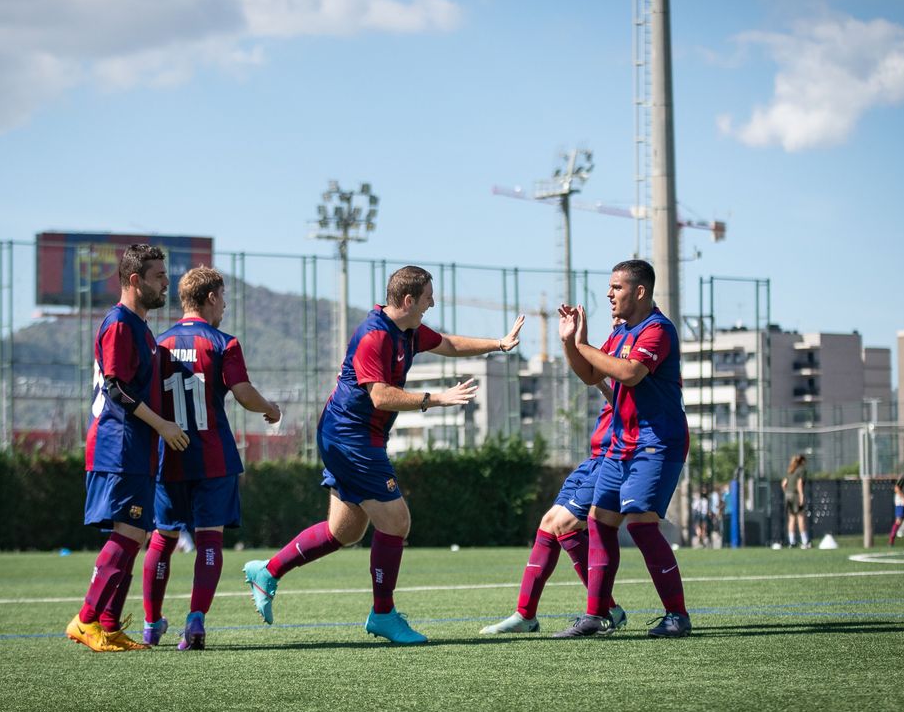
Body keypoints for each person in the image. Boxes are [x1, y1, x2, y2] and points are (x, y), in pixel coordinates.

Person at [242, 265, 524, 644]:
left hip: (359, 437)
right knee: (396, 521)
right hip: (350, 438)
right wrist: (437, 398)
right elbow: (380, 395)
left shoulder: (407, 331)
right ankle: (383, 614)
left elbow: (448, 344)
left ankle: (268, 571)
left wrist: (498, 344)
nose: (432, 304)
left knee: (344, 531)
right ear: (408, 300)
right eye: (427, 299)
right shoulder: (374, 336)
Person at [141, 267, 281, 651]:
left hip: (169, 456)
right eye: (223, 299)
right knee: (208, 541)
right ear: (212, 298)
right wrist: (270, 408)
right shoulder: (223, 343)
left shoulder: (159, 344)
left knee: (162, 540)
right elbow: (243, 393)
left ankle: (151, 625)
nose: (225, 307)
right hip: (213, 458)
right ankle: (196, 619)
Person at [551, 259, 691, 639]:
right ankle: (596, 616)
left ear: (640, 291)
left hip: (657, 442)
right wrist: (569, 342)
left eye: (617, 287)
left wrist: (583, 345)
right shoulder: (621, 333)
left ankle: (677, 616)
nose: (609, 294)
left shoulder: (658, 329)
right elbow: (591, 375)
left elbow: (629, 373)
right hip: (621, 444)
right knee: (599, 521)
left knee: (642, 525)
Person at [66, 244, 190, 654]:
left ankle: (108, 625)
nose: (166, 283)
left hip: (135, 447)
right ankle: (86, 620)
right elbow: (116, 389)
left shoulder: (141, 328)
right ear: (135, 280)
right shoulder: (120, 323)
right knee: (130, 533)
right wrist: (162, 425)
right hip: (117, 446)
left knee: (133, 534)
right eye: (159, 277)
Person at [479, 322, 629, 635]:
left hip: (614, 459)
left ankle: (606, 610)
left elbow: (628, 404)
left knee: (565, 524)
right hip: (594, 458)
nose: (615, 319)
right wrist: (570, 343)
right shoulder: (617, 349)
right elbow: (594, 378)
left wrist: (593, 367)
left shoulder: (639, 358)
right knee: (549, 523)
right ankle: (526, 616)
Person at [782, 454, 810, 548]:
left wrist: (787, 493)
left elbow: (784, 484)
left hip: (788, 495)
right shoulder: (801, 470)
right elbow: (799, 483)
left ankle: (792, 542)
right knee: (800, 518)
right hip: (795, 495)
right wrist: (801, 496)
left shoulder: (790, 470)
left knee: (791, 519)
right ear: (802, 461)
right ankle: (805, 541)